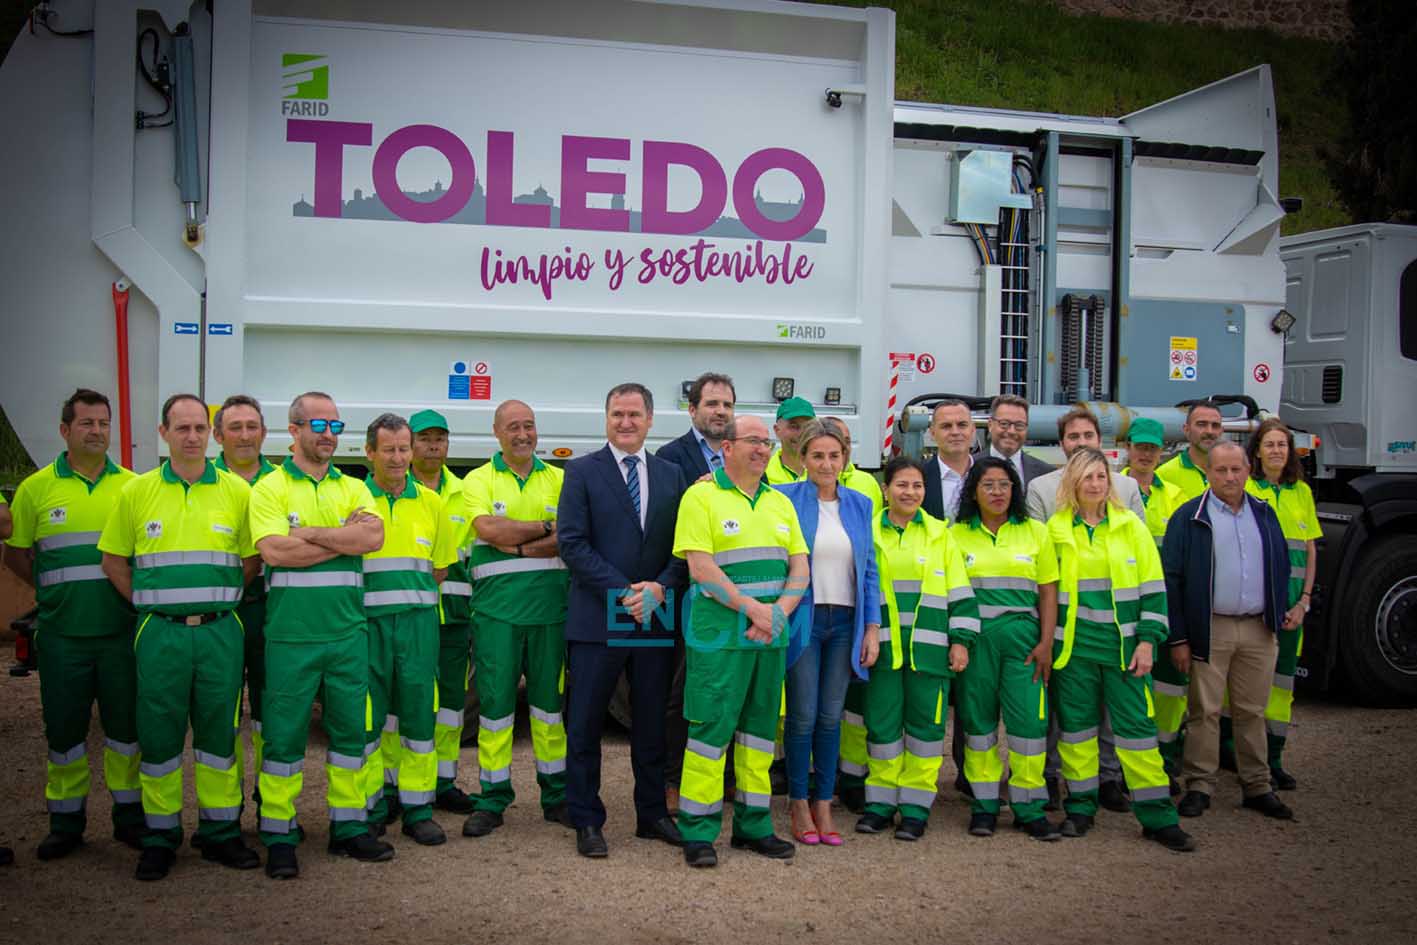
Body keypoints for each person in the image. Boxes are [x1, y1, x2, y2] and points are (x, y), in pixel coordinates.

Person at [97, 394, 261, 879]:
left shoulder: (237, 492)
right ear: (163, 433)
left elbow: (252, 560)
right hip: (160, 634)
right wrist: (150, 606)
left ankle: (219, 833)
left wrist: (219, 597)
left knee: (218, 737)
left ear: (211, 435)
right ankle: (161, 837)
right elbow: (112, 561)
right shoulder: (137, 492)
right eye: (182, 428)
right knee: (160, 735)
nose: (192, 437)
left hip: (219, 632)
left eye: (199, 429)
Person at [247, 391, 392, 879]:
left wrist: (307, 532)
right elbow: (275, 553)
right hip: (291, 637)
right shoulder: (268, 488)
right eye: (319, 425)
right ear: (294, 430)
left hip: (348, 634)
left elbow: (372, 538)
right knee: (283, 743)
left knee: (352, 737)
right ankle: (280, 835)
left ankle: (349, 828)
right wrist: (337, 539)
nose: (329, 435)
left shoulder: (352, 487)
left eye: (335, 425)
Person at [5, 389, 143, 861]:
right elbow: (18, 554)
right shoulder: (36, 489)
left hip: (120, 633)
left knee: (125, 733)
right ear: (65, 430)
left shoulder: (133, 486)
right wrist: (50, 593)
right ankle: (66, 824)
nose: (97, 431)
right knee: (63, 734)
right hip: (63, 635)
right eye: (86, 423)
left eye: (103, 423)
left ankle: (128, 820)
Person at [558, 383, 689, 858]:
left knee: (652, 720)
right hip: (600, 614)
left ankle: (652, 813)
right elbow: (572, 543)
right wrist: (623, 592)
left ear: (651, 419)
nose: (626, 422)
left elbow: (685, 547)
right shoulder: (581, 471)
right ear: (606, 418)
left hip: (655, 612)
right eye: (617, 414)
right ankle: (587, 819)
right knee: (586, 721)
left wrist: (658, 588)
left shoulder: (671, 475)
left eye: (634, 414)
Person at [672, 415, 809, 867]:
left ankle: (753, 827)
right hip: (720, 640)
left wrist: (777, 614)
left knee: (760, 736)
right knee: (710, 733)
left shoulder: (780, 503)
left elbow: (800, 568)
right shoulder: (701, 496)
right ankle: (698, 831)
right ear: (726, 448)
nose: (763, 449)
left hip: (768, 638)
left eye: (766, 443)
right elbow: (700, 567)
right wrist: (755, 610)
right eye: (753, 441)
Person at [1047, 448, 1195, 852]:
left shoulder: (1131, 527)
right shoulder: (1056, 530)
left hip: (1125, 649)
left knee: (1138, 734)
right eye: (1088, 477)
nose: (1095, 484)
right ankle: (1080, 808)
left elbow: (1152, 587)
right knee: (1076, 734)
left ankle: (1158, 817)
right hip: (1074, 651)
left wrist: (1148, 640)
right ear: (1072, 482)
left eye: (1101, 477)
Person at [1163, 440, 1296, 822]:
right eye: (1220, 470)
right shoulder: (1190, 517)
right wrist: (1180, 637)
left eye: (1236, 469)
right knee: (1204, 710)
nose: (1229, 477)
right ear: (1208, 473)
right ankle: (1199, 785)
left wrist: (1278, 609)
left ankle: (1257, 785)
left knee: (1252, 710)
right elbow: (1173, 579)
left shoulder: (1265, 514)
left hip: (1258, 628)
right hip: (1211, 627)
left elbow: (1282, 564)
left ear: (1247, 470)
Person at [461, 400, 572, 837]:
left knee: (550, 711)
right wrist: (546, 527)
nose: (522, 434)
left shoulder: (562, 478)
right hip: (496, 616)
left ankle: (556, 795)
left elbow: (572, 536)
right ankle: (492, 798)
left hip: (550, 614)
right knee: (495, 710)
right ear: (496, 432)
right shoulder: (478, 479)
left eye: (529, 426)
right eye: (513, 427)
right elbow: (489, 530)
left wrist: (524, 540)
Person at [1026, 406, 1142, 812]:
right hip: (1064, 623)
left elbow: (1141, 557)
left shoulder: (1125, 489)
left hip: (1114, 623)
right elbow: (1038, 560)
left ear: (1100, 441)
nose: (1080, 443)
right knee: (1064, 709)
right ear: (1062, 444)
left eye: (1087, 436)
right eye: (1072, 437)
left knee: (1111, 710)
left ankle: (1109, 778)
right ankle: (1056, 776)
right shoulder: (1041, 489)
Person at [856, 456, 978, 840]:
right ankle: (879, 804)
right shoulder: (867, 532)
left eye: (917, 486)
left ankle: (915, 808)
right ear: (885, 489)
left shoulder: (942, 535)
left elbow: (960, 593)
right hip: (883, 651)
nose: (910, 492)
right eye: (902, 485)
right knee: (882, 729)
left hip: (930, 653)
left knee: (926, 732)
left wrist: (961, 640)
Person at [773, 421, 881, 845]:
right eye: (817, 455)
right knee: (801, 716)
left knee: (831, 716)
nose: (826, 463)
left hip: (845, 623)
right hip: (805, 619)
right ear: (803, 459)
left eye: (834, 455)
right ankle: (799, 802)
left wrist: (871, 627)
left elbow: (869, 570)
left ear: (845, 459)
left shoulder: (859, 504)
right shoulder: (784, 498)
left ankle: (824, 803)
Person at [359, 413, 458, 846]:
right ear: (370, 453)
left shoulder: (434, 504)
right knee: (368, 719)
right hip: (366, 627)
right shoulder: (352, 500)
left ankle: (418, 808)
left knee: (420, 715)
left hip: (418, 627)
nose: (399, 458)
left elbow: (440, 569)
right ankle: (373, 804)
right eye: (390, 450)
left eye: (404, 449)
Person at [951, 457, 1061, 841]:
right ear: (973, 492)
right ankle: (984, 805)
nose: (997, 492)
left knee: (1029, 725)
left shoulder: (1036, 532)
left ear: (1015, 489)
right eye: (988, 485)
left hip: (1024, 641)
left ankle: (1028, 806)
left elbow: (1049, 591)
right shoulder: (957, 535)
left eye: (1004, 485)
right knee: (978, 725)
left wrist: (1047, 642)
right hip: (977, 640)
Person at [1240, 419, 1320, 790]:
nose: (1276, 450)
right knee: (1239, 687)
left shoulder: (1300, 492)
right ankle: (1237, 757)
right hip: (1257, 607)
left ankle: (1274, 758)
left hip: (1292, 607)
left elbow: (1309, 549)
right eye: (1269, 444)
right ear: (1256, 451)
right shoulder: (1246, 490)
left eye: (1282, 445)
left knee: (1281, 687)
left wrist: (1304, 600)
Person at [407, 409, 479, 814]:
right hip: (408, 617)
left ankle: (444, 780)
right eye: (424, 438)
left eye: (440, 437)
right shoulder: (396, 489)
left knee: (451, 706)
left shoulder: (463, 492)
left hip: (453, 615)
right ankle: (395, 783)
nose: (433, 444)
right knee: (406, 704)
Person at [212, 394, 277, 810]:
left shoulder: (282, 481)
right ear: (218, 436)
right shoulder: (204, 481)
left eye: (252, 426)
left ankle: (271, 804)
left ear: (264, 432)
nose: (245, 435)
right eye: (235, 427)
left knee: (273, 715)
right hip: (221, 615)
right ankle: (224, 813)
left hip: (274, 614)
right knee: (221, 716)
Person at [1121, 417, 1187, 776]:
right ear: (1128, 447)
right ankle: (1122, 765)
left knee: (1169, 684)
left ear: (1162, 452)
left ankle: (1166, 756)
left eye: (1152, 448)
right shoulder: (1113, 489)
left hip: (1169, 598)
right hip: (1130, 601)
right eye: (1140, 447)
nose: (1145, 454)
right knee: (1130, 684)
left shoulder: (1176, 496)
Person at [658, 372, 735, 480]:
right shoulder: (670, 455)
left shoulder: (744, 452)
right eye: (712, 404)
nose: (721, 411)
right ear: (692, 410)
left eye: (727, 405)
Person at [1157, 402, 1224, 502]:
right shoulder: (1164, 474)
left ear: (1221, 431)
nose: (1209, 431)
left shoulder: (1234, 473)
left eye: (1215, 425)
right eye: (1202, 424)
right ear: (1186, 429)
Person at [922, 400, 974, 523]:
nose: (955, 432)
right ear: (932, 433)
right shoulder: (919, 477)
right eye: (946, 426)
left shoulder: (989, 475)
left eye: (962, 425)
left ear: (972, 430)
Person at [987, 394, 1054, 489]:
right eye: (1004, 424)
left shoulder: (1046, 474)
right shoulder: (970, 468)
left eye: (1019, 425)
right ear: (990, 425)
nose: (1011, 431)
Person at [819, 416, 884, 513]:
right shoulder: (804, 480)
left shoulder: (867, 481)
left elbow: (874, 524)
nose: (845, 447)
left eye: (847, 441)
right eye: (839, 440)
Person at [764, 396, 816, 484]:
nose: (801, 433)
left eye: (808, 427)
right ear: (777, 430)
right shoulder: (762, 473)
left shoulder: (826, 472)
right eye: (794, 426)